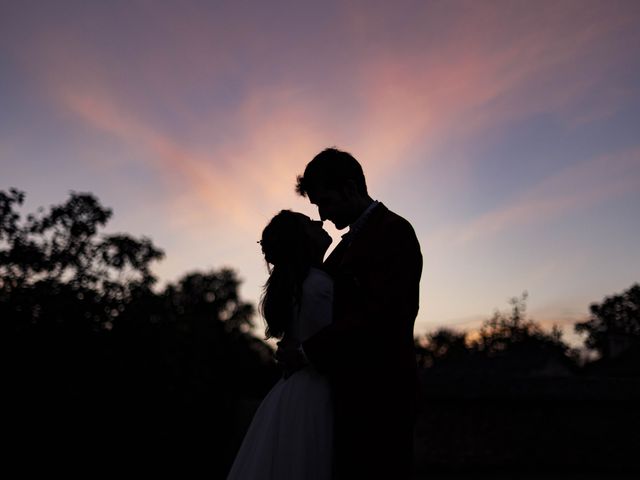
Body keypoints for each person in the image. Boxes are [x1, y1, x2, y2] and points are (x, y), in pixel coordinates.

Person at [286, 147, 423, 479]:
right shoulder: (341, 249)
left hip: (380, 398)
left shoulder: (394, 231)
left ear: (349, 188)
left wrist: (306, 352)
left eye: (325, 202)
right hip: (345, 397)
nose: (322, 215)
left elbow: (383, 315)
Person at [227, 210, 335, 480]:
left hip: (292, 390)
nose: (318, 222)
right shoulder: (318, 285)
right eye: (308, 223)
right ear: (302, 240)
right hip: (318, 391)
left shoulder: (300, 285)